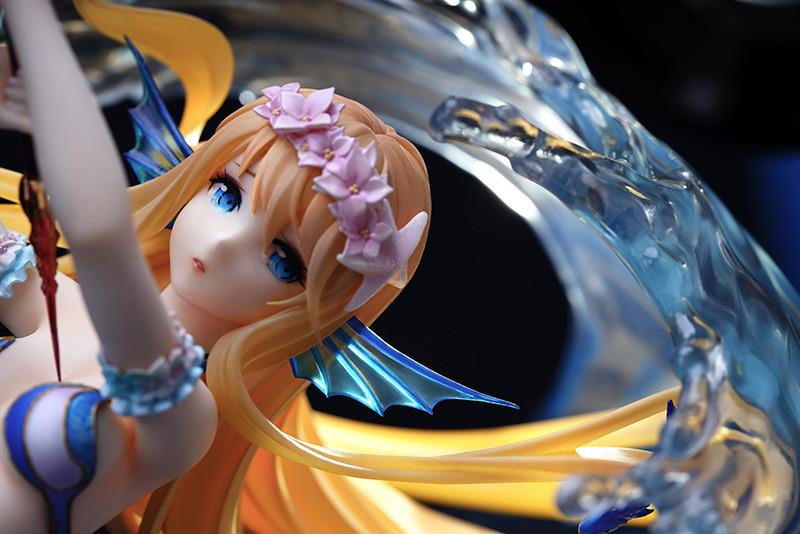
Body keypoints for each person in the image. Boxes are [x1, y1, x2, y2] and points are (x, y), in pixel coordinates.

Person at [0, 1, 674, 532]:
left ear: (318, 303)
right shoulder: (59, 297)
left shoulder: (184, 416)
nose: (226, 243)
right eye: (227, 193)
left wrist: (31, 17)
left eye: (282, 259)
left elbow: (102, 235)